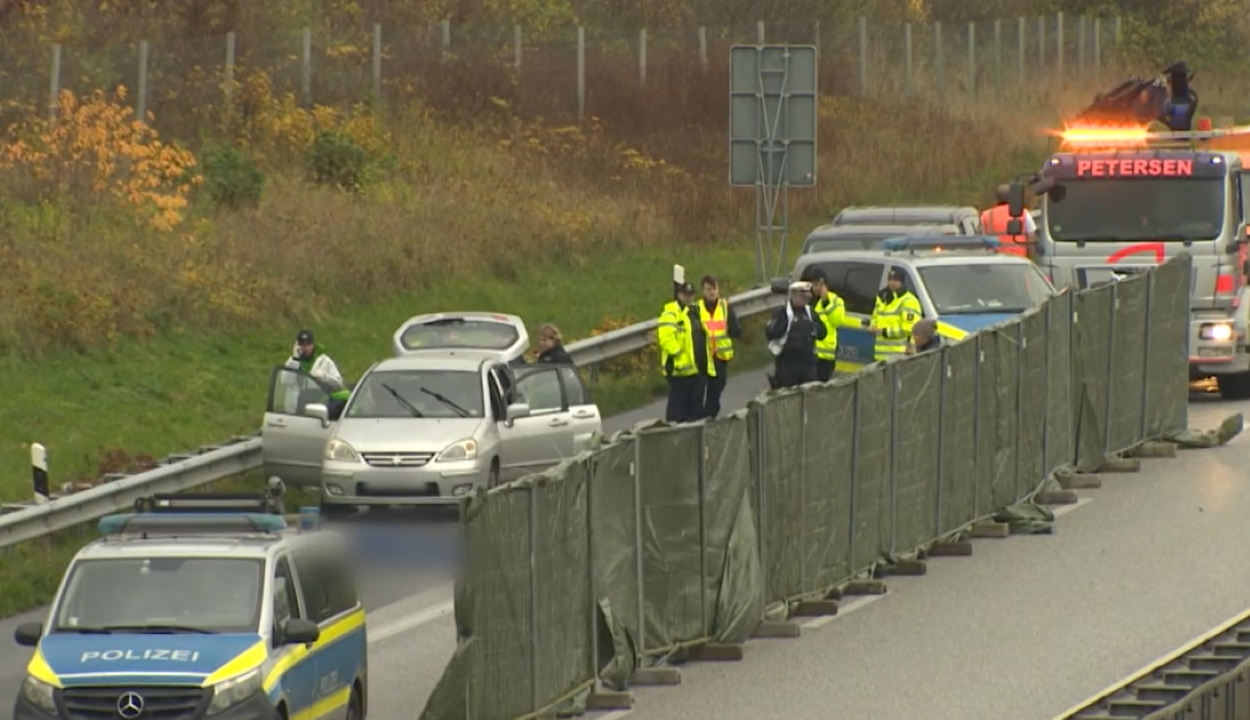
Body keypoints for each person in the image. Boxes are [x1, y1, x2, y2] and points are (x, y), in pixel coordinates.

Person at [657, 280, 713, 422]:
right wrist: (679, 355)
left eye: (691, 294)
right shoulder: (670, 313)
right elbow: (666, 339)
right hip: (679, 373)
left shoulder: (696, 312)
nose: (688, 297)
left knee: (695, 412)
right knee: (677, 413)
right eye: (685, 294)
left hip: (697, 371)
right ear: (678, 295)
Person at [804, 268, 866, 382]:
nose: (817, 288)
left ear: (826, 285)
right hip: (808, 353)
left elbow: (837, 321)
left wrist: (826, 302)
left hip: (825, 356)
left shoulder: (836, 301)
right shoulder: (807, 300)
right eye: (814, 284)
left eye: (820, 285)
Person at [765, 281, 827, 388]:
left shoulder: (810, 313)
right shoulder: (783, 313)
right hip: (788, 364)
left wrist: (812, 328)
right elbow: (771, 333)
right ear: (794, 296)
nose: (805, 300)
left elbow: (823, 333)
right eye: (803, 297)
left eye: (807, 298)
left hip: (807, 364)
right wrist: (783, 324)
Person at [697, 275, 742, 418]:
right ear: (703, 291)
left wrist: (732, 329)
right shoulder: (697, 309)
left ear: (718, 289)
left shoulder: (724, 307)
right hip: (704, 358)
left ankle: (710, 416)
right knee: (701, 391)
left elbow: (736, 330)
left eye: (714, 289)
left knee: (716, 390)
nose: (712, 292)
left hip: (720, 358)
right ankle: (702, 418)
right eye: (708, 289)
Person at [282, 329, 351, 419]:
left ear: (313, 345)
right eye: (302, 345)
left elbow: (339, 383)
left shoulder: (324, 361)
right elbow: (285, 380)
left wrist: (324, 377)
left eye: (308, 344)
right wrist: (295, 360)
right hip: (294, 411)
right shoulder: (292, 362)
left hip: (317, 408)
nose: (306, 348)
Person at [869, 268, 923, 362]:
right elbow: (875, 316)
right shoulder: (883, 298)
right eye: (890, 279)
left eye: (896, 280)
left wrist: (885, 332)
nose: (892, 282)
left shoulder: (909, 301)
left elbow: (909, 328)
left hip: (901, 355)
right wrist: (872, 326)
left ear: (902, 282)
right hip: (880, 355)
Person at [980, 183, 1037, 257]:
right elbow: (1031, 236)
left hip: (995, 258)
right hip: (1018, 257)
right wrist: (1031, 256)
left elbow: (982, 239)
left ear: (997, 198)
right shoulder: (1022, 212)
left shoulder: (986, 215)